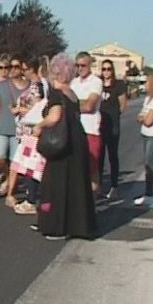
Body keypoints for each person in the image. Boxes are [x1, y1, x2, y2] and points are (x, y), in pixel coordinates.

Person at [32, 53, 95, 240]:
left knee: (55, 184)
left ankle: (55, 225)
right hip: (77, 140)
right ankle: (76, 224)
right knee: (75, 183)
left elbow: (55, 116)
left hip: (62, 143)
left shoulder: (57, 93)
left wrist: (39, 126)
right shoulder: (71, 93)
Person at [7, 57, 48, 214]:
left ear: (32, 69)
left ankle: (31, 200)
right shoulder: (34, 85)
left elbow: (38, 109)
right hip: (27, 131)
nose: (23, 73)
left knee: (32, 166)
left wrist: (19, 110)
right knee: (28, 166)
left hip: (33, 130)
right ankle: (31, 197)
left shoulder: (37, 86)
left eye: (25, 69)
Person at [0, 54, 27, 196]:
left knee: (15, 162)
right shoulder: (2, 85)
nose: (13, 69)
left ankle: (11, 186)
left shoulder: (29, 86)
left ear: (22, 68)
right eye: (11, 66)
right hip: (2, 126)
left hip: (19, 129)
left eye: (16, 67)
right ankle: (10, 177)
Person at [70, 51, 103, 194]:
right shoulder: (73, 82)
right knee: (76, 168)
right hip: (74, 130)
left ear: (90, 65)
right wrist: (80, 102)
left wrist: (75, 103)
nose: (80, 68)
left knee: (92, 169)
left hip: (90, 131)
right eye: (77, 65)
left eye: (83, 65)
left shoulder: (96, 82)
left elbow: (89, 106)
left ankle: (93, 200)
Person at [134, 70, 153, 210]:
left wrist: (143, 118)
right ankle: (148, 194)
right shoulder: (148, 99)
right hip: (145, 133)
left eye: (146, 82)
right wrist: (143, 117)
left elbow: (148, 120)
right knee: (147, 165)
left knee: (149, 164)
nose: (144, 85)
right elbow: (140, 116)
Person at [99, 59, 127, 199]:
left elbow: (123, 104)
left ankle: (114, 186)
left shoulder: (119, 85)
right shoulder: (98, 84)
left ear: (113, 70)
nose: (106, 72)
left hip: (113, 126)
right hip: (99, 125)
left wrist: (115, 115)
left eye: (109, 69)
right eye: (104, 69)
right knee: (99, 156)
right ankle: (98, 186)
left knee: (112, 156)